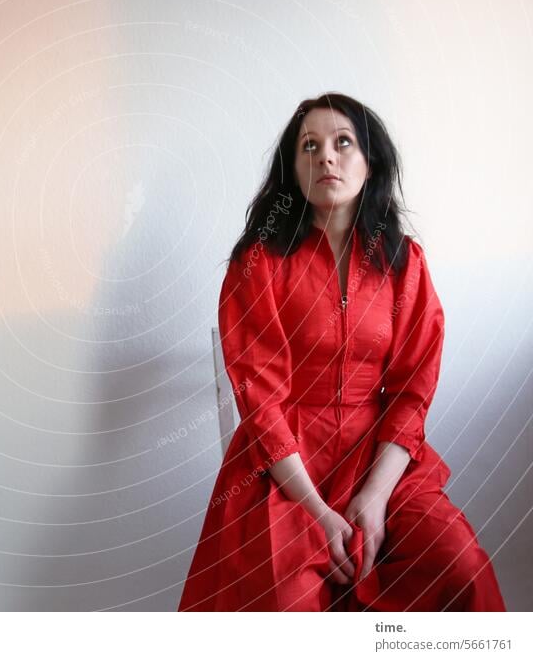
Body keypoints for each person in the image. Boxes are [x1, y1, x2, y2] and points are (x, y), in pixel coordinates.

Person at [178, 93, 506, 612]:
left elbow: (412, 391)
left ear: (369, 161)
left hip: (380, 457)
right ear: (294, 171)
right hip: (282, 467)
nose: (326, 156)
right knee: (287, 602)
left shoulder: (405, 263)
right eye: (310, 146)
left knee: (459, 567)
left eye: (342, 143)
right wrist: (315, 511)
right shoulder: (258, 264)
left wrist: (374, 499)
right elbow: (260, 402)